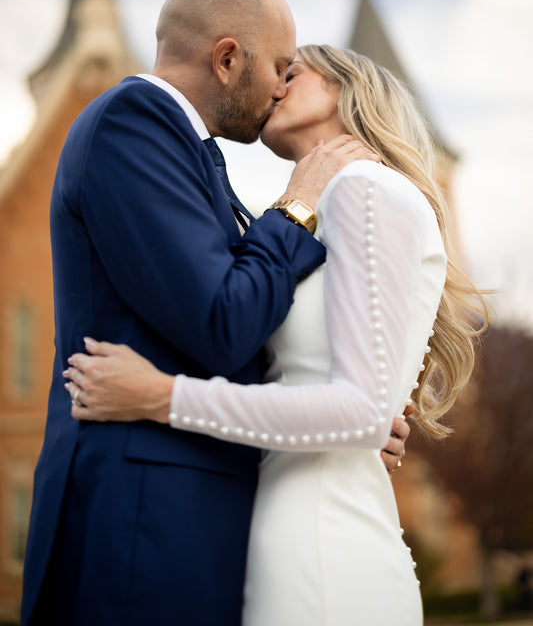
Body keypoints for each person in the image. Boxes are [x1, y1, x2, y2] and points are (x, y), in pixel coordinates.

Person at [21, 0, 407, 626]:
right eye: (280, 64)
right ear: (227, 58)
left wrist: (342, 418)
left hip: (186, 512)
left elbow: (239, 331)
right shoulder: (132, 122)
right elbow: (222, 321)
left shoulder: (194, 157)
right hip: (141, 518)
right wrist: (295, 207)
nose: (283, 83)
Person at [64, 45, 489, 624]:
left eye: (292, 73)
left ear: (342, 88)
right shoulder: (322, 207)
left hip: (321, 545)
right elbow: (348, 404)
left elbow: (359, 412)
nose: (275, 87)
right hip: (286, 528)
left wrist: (161, 396)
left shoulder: (366, 187)